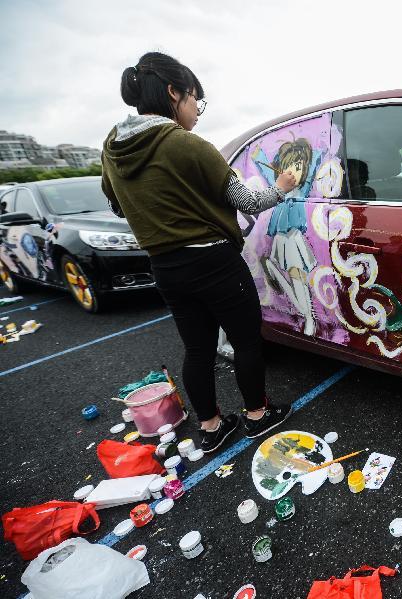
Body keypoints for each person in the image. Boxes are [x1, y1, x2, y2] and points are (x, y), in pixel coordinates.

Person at [101, 52, 300, 453]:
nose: (196, 111)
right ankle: (257, 417)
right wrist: (281, 185)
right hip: (213, 262)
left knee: (197, 348)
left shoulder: (113, 151)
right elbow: (248, 201)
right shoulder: (185, 145)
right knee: (245, 341)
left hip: (165, 266)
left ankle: (210, 428)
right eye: (195, 100)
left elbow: (119, 207)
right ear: (174, 92)